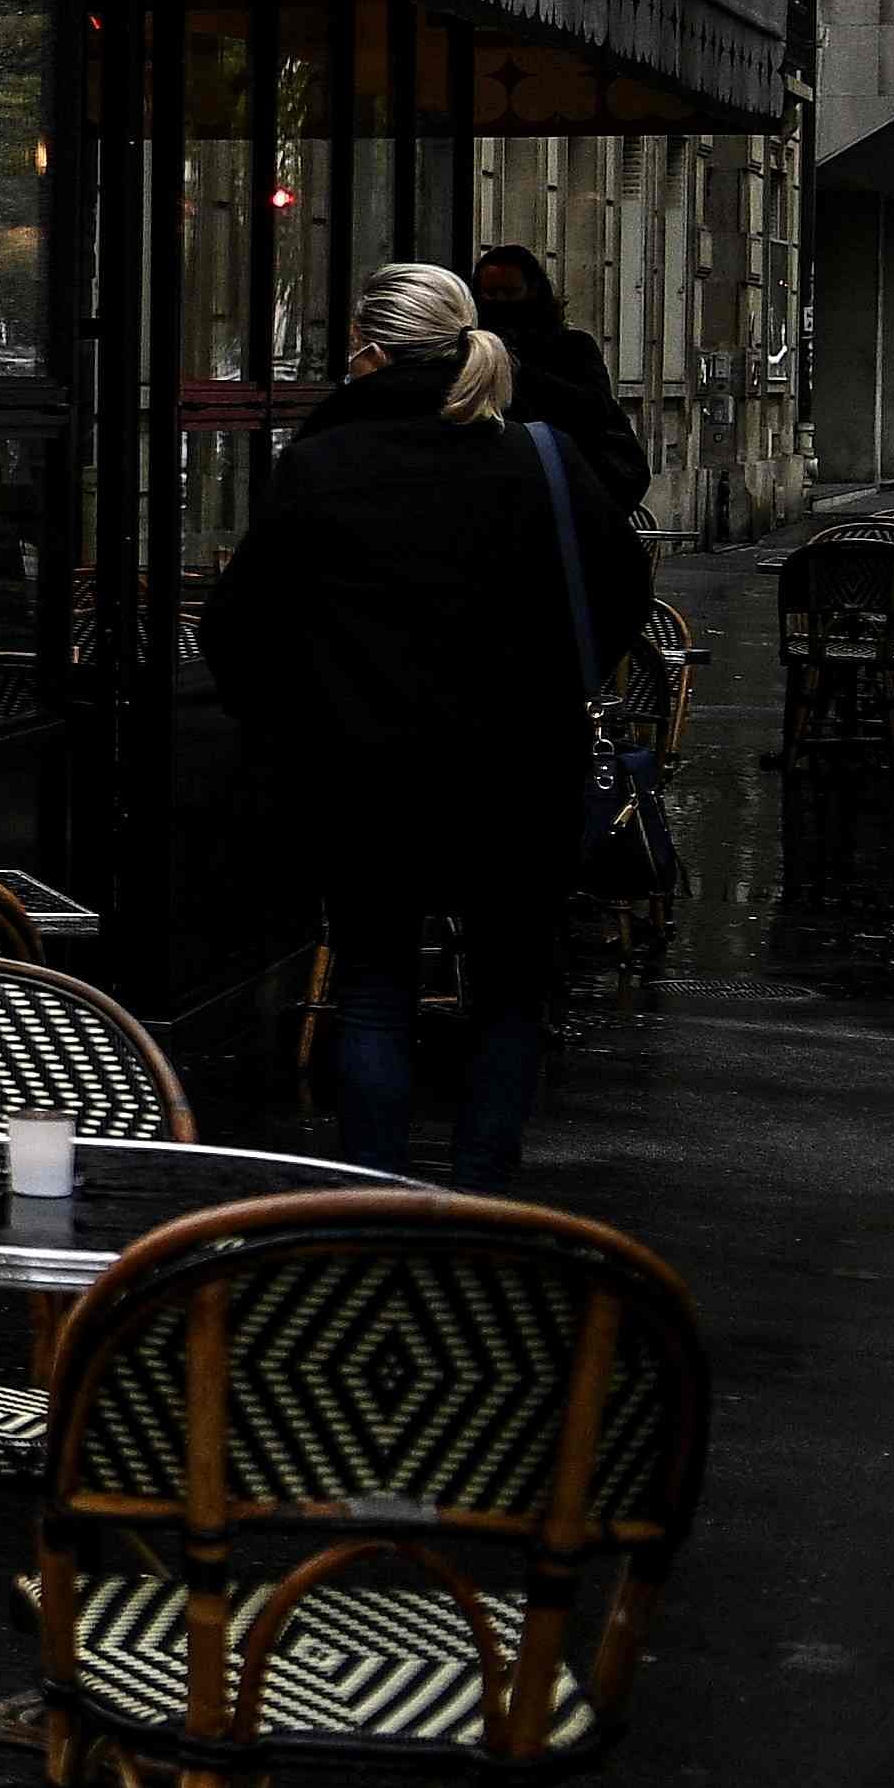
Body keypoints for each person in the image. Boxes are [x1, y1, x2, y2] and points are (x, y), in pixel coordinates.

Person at [202, 260, 649, 1188]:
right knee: (510, 996)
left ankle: (379, 1197)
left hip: (364, 779)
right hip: (522, 773)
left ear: (364, 350)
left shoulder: (321, 465)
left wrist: (305, 717)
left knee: (372, 988)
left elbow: (240, 631)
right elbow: (621, 597)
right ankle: (483, 1195)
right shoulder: (543, 460)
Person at [469, 244, 648, 517]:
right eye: (491, 293)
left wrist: (519, 371)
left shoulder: (572, 348)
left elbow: (594, 409)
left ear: (532, 291)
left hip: (564, 487)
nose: (500, 301)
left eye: (510, 292)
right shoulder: (470, 351)